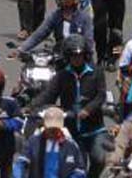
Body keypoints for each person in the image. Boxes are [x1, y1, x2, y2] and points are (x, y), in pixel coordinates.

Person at [30, 35, 110, 177]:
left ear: (85, 55)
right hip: (72, 131)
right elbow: (48, 95)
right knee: (79, 166)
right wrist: (31, 107)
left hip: (95, 129)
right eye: (73, 55)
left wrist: (88, 109)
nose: (77, 58)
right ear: (67, 56)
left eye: (79, 55)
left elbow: (101, 96)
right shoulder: (62, 76)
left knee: (100, 158)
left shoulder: (96, 72)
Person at [14, 0, 94, 57]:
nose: (64, 0)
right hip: (59, 55)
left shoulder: (84, 17)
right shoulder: (55, 16)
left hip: (79, 56)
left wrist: (85, 54)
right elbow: (39, 34)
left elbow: (88, 40)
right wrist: (21, 49)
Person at [12, 107, 87, 178]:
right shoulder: (33, 141)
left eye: (55, 128)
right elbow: (21, 162)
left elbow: (80, 171)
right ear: (44, 124)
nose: (52, 131)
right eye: (49, 127)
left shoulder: (71, 145)